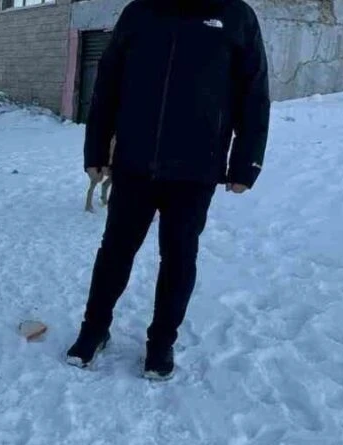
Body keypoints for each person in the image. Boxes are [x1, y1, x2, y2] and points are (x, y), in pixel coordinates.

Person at [66, 0, 270, 380]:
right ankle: (94, 329)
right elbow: (107, 84)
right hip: (134, 164)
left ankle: (161, 342)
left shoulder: (235, 16)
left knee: (178, 259)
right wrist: (96, 149)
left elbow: (254, 94)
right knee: (115, 252)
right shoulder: (140, 12)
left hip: (196, 169)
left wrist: (246, 162)